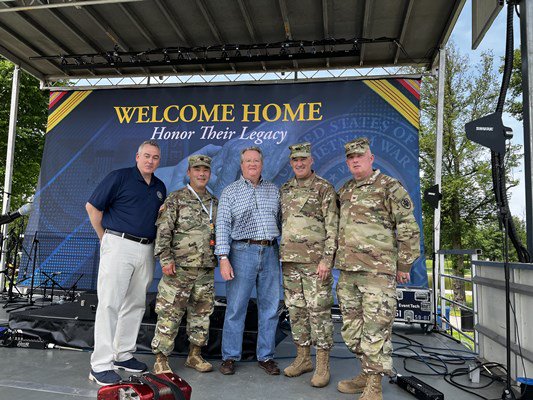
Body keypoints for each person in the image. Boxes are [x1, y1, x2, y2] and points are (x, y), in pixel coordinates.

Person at [336, 137, 420, 400]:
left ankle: (374, 384)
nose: (355, 160)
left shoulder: (389, 187)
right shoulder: (345, 190)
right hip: (348, 272)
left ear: (371, 159)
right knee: (351, 331)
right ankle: (365, 371)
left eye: (360, 156)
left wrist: (404, 263)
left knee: (376, 329)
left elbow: (407, 226)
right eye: (351, 157)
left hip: (378, 273)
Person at [86, 140, 166, 386]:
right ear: (137, 156)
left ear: (158, 160)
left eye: (155, 157)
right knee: (110, 303)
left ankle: (123, 354)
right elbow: (92, 207)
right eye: (146, 156)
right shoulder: (119, 177)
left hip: (146, 248)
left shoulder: (160, 187)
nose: (150, 160)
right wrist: (105, 238)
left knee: (135, 304)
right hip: (119, 243)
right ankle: (100, 365)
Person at [215, 146, 282, 376]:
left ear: (262, 164)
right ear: (241, 165)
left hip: (270, 252)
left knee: (270, 308)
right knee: (235, 307)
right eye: (248, 161)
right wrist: (223, 258)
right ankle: (230, 356)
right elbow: (222, 226)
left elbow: (281, 223)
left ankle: (266, 356)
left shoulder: (274, 191)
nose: (252, 164)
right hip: (241, 251)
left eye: (256, 161)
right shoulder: (229, 192)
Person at [151, 155, 218, 374]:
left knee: (201, 314)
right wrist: (165, 258)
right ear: (188, 173)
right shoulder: (176, 198)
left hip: (205, 269)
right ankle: (161, 359)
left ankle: (194, 355)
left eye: (205, 170)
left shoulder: (214, 202)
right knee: (169, 312)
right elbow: (163, 230)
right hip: (178, 268)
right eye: (197, 169)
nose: (201, 173)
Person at [280, 142, 339, 387]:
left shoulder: (324, 188)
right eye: (295, 160)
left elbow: (333, 226)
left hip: (316, 264)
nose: (300, 163)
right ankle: (303, 358)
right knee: (296, 312)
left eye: (303, 159)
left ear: (311, 160)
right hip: (290, 262)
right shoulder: (285, 189)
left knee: (319, 313)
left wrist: (327, 259)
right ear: (291, 162)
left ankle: (323, 364)